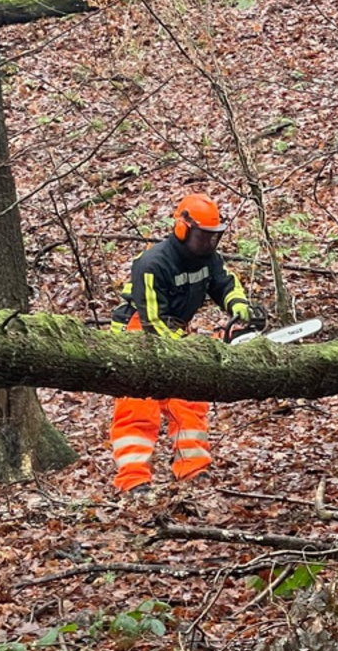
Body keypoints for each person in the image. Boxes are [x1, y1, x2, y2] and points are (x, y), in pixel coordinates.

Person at [108, 193, 258, 494]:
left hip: (174, 330)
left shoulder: (210, 260)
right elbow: (152, 320)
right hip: (137, 333)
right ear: (183, 227)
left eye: (213, 237)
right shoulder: (152, 264)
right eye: (202, 237)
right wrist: (190, 350)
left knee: (188, 398)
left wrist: (238, 306)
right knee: (140, 406)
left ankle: (193, 468)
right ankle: (133, 478)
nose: (208, 244)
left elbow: (224, 284)